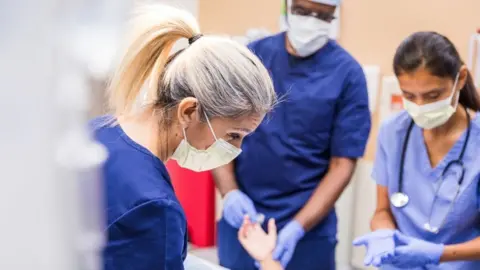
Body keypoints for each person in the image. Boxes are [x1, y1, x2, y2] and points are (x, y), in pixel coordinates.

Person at [90, 4, 276, 270]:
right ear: (189, 111)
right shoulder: (154, 207)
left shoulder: (99, 131)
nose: (236, 149)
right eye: (233, 135)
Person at [213, 0, 371, 269]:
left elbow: (342, 165)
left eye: (321, 15)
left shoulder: (348, 74)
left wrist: (298, 227)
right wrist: (230, 194)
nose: (310, 20)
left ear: (335, 15)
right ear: (286, 7)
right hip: (244, 223)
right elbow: (220, 133)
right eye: (301, 10)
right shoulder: (254, 57)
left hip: (308, 232)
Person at [353, 31, 480, 269]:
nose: (420, 106)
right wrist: (383, 235)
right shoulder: (393, 131)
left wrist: (438, 253)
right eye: (409, 96)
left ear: (460, 78)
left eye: (433, 95)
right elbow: (382, 211)